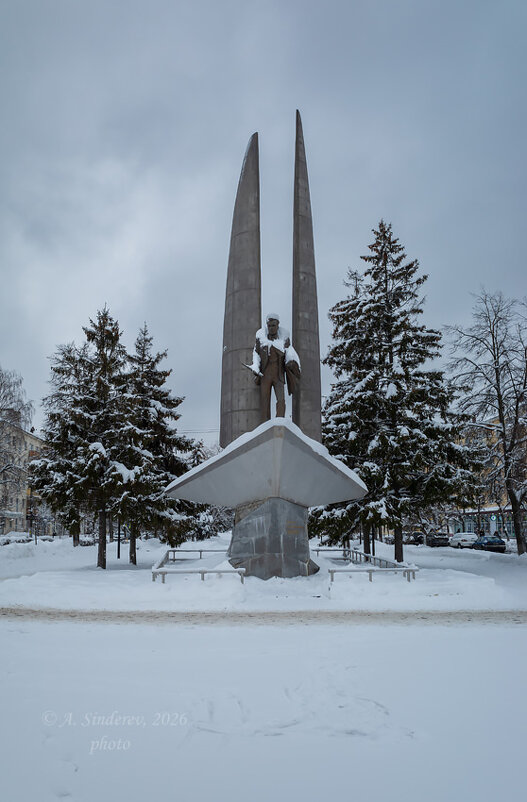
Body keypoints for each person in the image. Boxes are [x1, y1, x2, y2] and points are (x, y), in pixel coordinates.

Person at [250, 313, 301, 422]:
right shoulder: (260, 336)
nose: (271, 328)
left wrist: (291, 362)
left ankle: (280, 421)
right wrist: (255, 366)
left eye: (273, 325)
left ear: (278, 325)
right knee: (264, 401)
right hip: (265, 375)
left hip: (279, 375)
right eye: (269, 326)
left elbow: (289, 352)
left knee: (281, 400)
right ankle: (265, 424)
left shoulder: (285, 336)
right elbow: (256, 353)